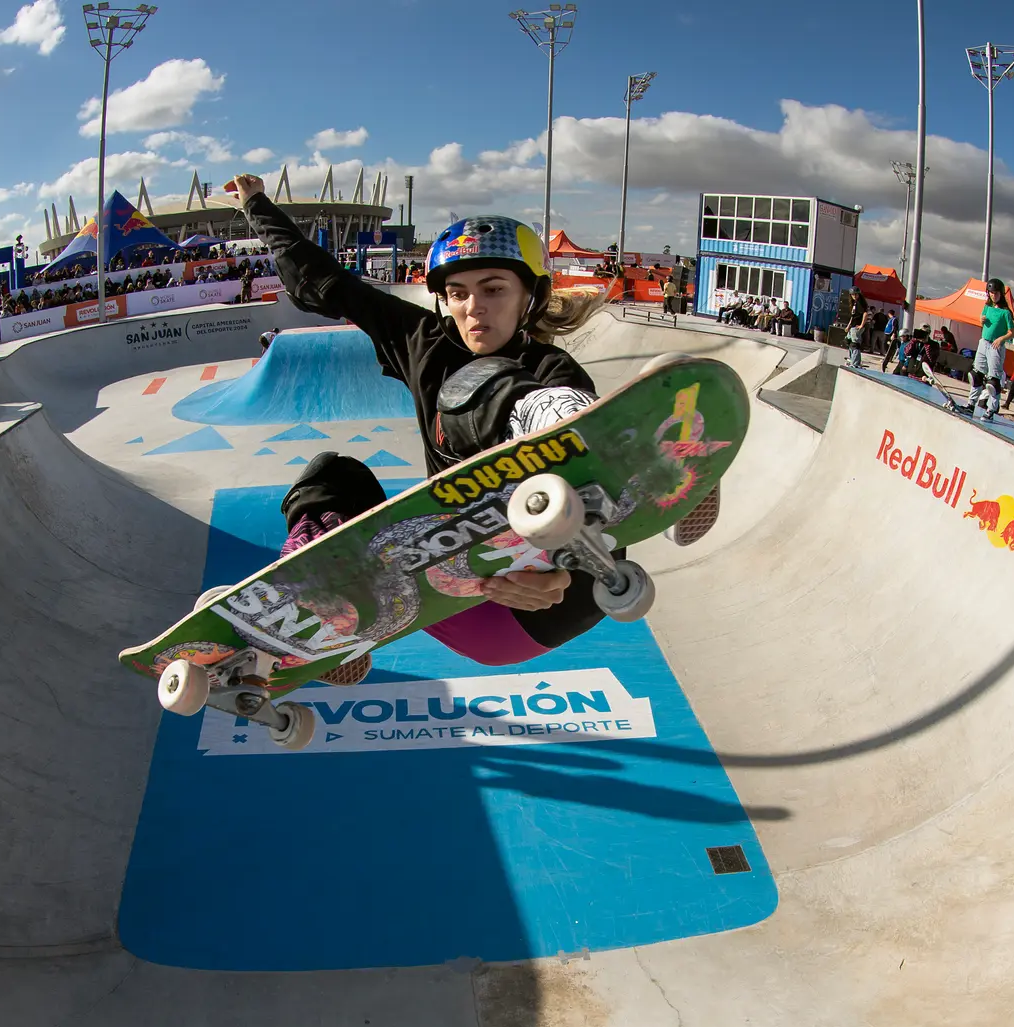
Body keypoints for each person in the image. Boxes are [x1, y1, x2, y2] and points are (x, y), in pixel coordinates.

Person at [228, 170, 716, 683]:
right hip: (457, 596)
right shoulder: (420, 340)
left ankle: (656, 460)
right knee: (331, 476)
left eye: (493, 289)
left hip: (551, 600)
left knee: (485, 390)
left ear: (531, 295)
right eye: (457, 293)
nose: (473, 308)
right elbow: (323, 281)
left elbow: (603, 518)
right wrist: (256, 205)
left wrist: (562, 571)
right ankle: (322, 608)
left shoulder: (554, 369)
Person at [970, 277, 1014, 421]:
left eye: (995, 293)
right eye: (990, 292)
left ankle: (991, 409)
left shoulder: (1006, 312)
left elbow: (1012, 332)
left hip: (996, 346)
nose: (993, 295)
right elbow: (983, 322)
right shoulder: (987, 307)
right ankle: (971, 404)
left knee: (993, 382)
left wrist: (1001, 339)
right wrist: (981, 320)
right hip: (983, 342)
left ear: (1001, 293)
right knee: (976, 375)